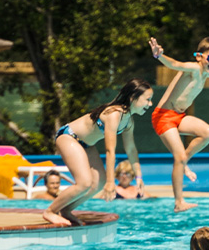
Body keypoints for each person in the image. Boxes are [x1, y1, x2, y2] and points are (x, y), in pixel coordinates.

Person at [42, 78, 154, 226]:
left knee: (98, 183)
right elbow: (109, 150)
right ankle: (49, 211)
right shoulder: (115, 114)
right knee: (85, 183)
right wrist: (110, 182)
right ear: (133, 98)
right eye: (148, 99)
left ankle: (66, 210)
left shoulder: (128, 121)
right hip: (69, 137)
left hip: (86, 144)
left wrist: (138, 176)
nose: (150, 104)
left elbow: (131, 149)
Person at [147, 36, 209, 213]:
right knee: (178, 158)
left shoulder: (205, 70)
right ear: (198, 57)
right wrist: (159, 56)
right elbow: (174, 64)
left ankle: (184, 162)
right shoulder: (194, 68)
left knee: (208, 132)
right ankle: (179, 201)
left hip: (178, 116)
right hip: (163, 116)